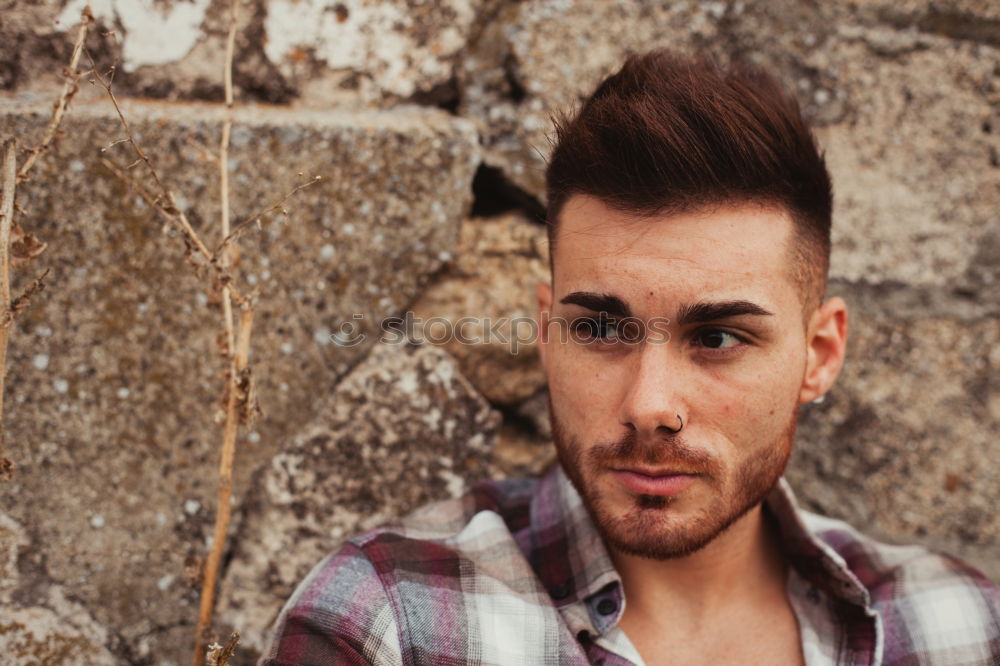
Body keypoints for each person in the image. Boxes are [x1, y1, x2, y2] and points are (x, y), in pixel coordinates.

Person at [260, 50, 1000, 665]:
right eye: (601, 331)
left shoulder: (961, 629)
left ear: (819, 353)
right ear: (546, 330)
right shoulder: (389, 623)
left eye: (716, 338)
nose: (650, 404)